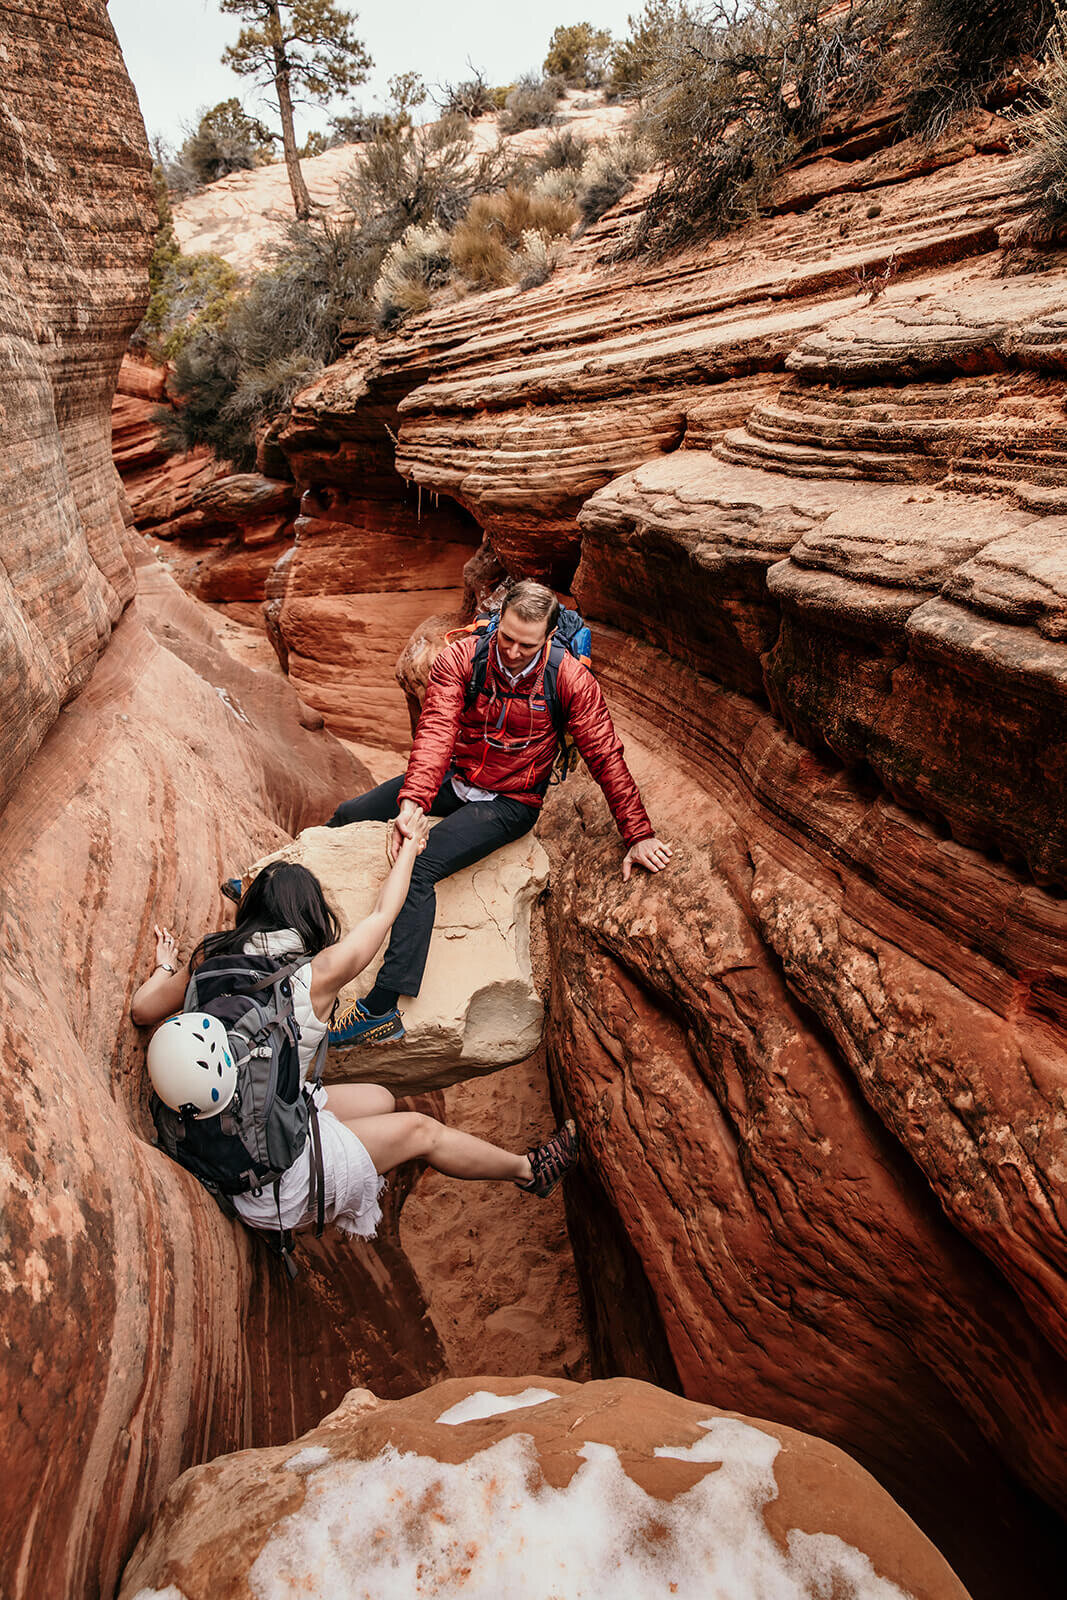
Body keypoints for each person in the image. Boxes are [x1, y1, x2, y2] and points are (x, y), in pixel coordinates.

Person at [131, 828, 579, 1243]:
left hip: (223, 1129)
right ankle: (528, 1171)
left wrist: (166, 966)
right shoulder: (315, 976)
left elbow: (141, 1009)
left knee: (381, 1098)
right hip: (269, 1181)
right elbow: (384, 916)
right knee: (422, 1131)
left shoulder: (212, 961)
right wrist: (410, 853)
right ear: (308, 916)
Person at [319, 578, 672, 1046]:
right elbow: (437, 730)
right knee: (351, 810)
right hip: (456, 774)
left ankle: (382, 1011)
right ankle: (277, 883)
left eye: (527, 643)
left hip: (511, 800)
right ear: (496, 623)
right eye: (504, 637)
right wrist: (413, 803)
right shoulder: (463, 657)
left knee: (420, 866)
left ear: (548, 638)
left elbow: (605, 755)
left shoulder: (569, 679)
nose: (512, 650)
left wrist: (638, 833)